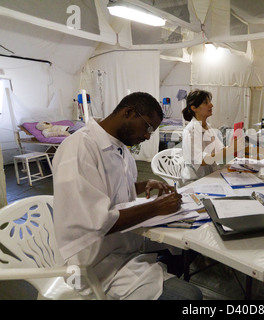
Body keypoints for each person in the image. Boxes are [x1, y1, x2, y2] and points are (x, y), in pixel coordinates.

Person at [53, 92, 202, 300]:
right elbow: (98, 221)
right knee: (190, 296)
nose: (148, 136)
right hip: (94, 264)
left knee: (187, 245)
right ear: (129, 112)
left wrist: (142, 185)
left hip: (122, 246)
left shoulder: (119, 149)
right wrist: (156, 207)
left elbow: (109, 191)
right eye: (148, 127)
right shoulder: (79, 148)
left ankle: (162, 274)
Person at [181, 89, 242, 184]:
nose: (211, 105)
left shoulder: (208, 127)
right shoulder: (190, 131)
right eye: (206, 103)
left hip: (210, 176)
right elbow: (202, 160)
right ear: (194, 108)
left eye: (210, 102)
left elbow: (220, 150)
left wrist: (232, 146)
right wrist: (230, 150)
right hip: (195, 181)